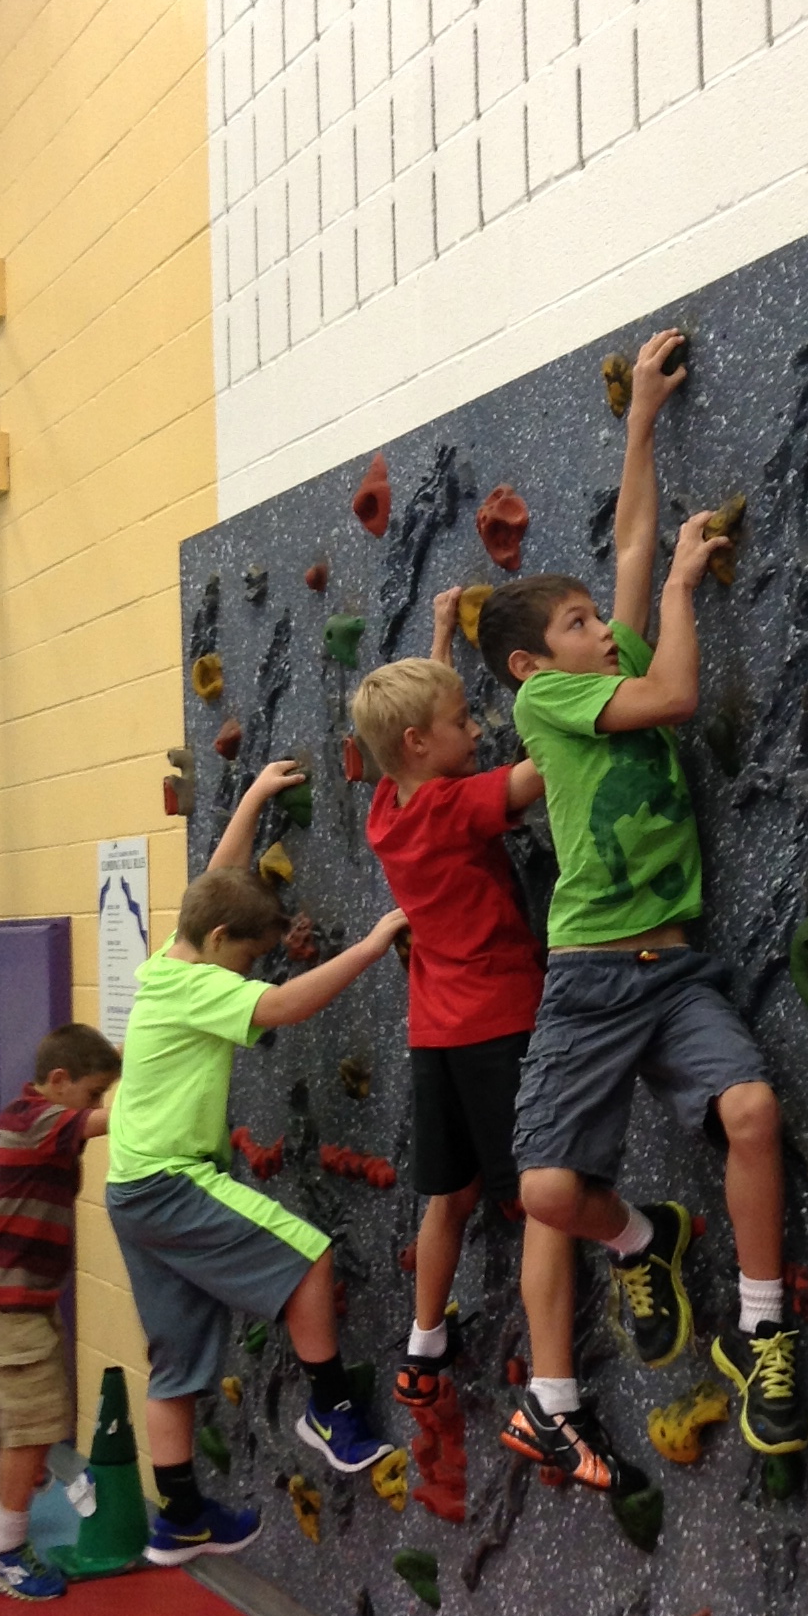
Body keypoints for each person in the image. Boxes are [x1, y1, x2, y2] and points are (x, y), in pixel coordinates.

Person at [474, 327, 801, 1492]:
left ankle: (760, 1328)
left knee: (751, 1111)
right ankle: (644, 1237)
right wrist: (673, 593)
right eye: (575, 625)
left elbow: (627, 539)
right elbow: (673, 692)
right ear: (532, 667)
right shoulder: (550, 706)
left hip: (676, 969)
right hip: (592, 975)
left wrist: (644, 419)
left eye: (591, 617)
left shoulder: (594, 666)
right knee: (548, 1193)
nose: (596, 627)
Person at [103, 759, 407, 1566]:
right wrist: (372, 945)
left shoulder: (170, 962)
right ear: (218, 945)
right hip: (170, 1182)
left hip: (132, 1190)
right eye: (246, 957)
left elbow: (215, 881)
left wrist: (254, 797)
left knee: (175, 1367)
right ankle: (329, 1411)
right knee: (309, 1257)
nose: (248, 972)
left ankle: (179, 1517)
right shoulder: (202, 985)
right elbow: (283, 1005)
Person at [352, 595, 570, 1410]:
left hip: (436, 1029)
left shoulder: (388, 808)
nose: (477, 730)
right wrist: (573, 694)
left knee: (451, 1195)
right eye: (463, 721)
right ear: (419, 742)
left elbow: (410, 728)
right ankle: (552, 1378)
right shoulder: (451, 807)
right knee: (538, 1195)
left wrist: (441, 636)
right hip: (498, 1020)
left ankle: (424, 1342)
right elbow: (536, 775)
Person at [0, 1021, 125, 1602]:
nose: (96, 1104)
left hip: (25, 1299)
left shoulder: (39, 1114)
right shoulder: (37, 1121)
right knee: (31, 1430)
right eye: (92, 1092)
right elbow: (111, 1121)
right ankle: (3, 1548)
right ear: (58, 1080)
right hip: (10, 1303)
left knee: (37, 1426)